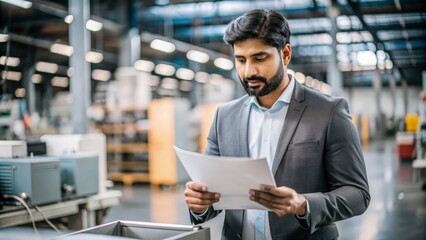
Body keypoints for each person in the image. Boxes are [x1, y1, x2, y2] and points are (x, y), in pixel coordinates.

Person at [184, 9, 370, 240]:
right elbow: (211, 191)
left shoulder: (328, 112)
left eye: (259, 58)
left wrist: (304, 205)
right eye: (240, 60)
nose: (248, 71)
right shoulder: (224, 116)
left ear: (285, 54)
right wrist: (199, 204)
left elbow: (357, 194)